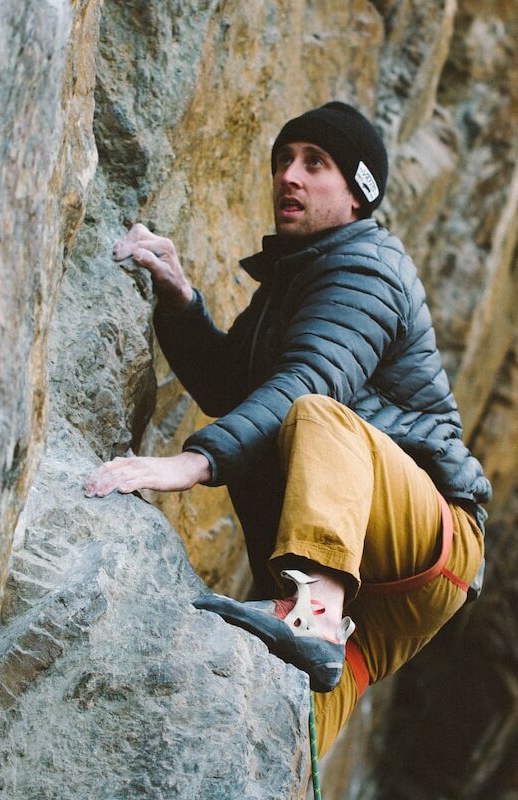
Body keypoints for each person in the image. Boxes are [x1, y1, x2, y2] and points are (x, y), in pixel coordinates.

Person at [84, 101, 490, 755]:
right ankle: (318, 627)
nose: (289, 177)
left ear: (357, 195)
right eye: (282, 161)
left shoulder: (368, 270)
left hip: (427, 538)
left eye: (314, 163)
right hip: (371, 585)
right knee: (279, 736)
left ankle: (318, 614)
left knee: (319, 416)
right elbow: (228, 388)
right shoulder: (294, 281)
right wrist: (179, 297)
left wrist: (190, 466)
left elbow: (308, 385)